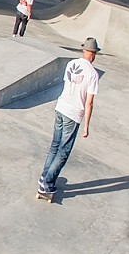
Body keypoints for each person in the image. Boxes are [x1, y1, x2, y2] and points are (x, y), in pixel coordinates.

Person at [38, 38, 100, 197]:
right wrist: (86, 125)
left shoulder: (71, 64)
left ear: (83, 50)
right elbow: (89, 103)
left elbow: (68, 85)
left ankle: (44, 177)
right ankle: (47, 184)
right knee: (63, 151)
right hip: (73, 114)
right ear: (94, 54)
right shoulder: (93, 74)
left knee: (55, 145)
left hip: (61, 107)